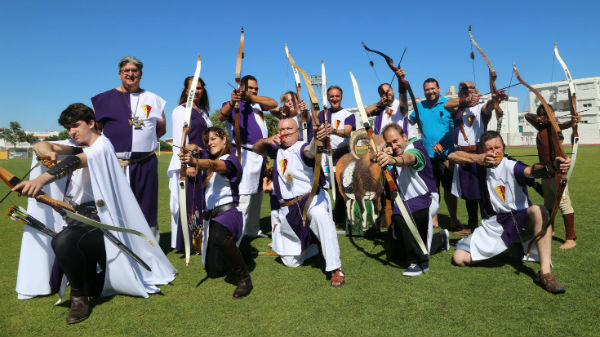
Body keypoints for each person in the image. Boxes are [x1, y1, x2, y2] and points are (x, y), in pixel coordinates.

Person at [12, 103, 176, 324]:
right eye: (68, 128)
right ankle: (91, 278)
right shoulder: (76, 144)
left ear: (91, 123)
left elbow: (76, 161)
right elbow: (43, 145)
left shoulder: (103, 146)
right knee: (69, 244)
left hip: (102, 225)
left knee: (62, 242)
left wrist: (40, 180)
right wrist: (45, 149)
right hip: (75, 218)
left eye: (75, 126)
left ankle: (80, 297)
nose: (72, 132)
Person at [449, 131, 569, 294]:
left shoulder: (511, 165)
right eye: (489, 149)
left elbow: (531, 171)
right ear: (482, 151)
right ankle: (511, 249)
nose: (494, 152)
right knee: (459, 258)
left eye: (497, 147)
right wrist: (478, 159)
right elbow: (453, 156)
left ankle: (545, 273)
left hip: (522, 220)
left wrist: (553, 166)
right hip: (494, 224)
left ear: (504, 148)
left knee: (539, 210)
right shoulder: (480, 164)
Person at [253, 118, 346, 287]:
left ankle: (335, 268)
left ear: (297, 131)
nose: (285, 132)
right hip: (289, 208)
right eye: (281, 129)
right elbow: (256, 148)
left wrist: (317, 138)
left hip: (311, 198)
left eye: (289, 128)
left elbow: (310, 151)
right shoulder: (276, 150)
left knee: (319, 216)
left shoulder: (301, 146)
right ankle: (315, 244)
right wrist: (266, 140)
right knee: (291, 262)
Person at [91, 56, 166, 238]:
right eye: (127, 71)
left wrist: (143, 142)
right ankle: (118, 244)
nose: (131, 74)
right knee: (115, 206)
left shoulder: (154, 99)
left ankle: (150, 249)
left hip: (145, 162)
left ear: (140, 74)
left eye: (135, 71)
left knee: (146, 205)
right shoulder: (103, 99)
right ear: (119, 75)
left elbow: (161, 128)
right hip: (116, 163)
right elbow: (96, 130)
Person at [179, 127, 252, 299]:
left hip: (229, 213)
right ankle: (241, 249)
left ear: (224, 139)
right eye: (207, 141)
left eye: (214, 139)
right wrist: (187, 147)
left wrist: (195, 162)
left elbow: (215, 165)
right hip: (211, 218)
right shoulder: (207, 157)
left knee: (220, 237)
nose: (210, 143)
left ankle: (244, 280)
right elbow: (191, 148)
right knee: (213, 271)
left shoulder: (231, 159)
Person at [375, 123, 449, 276]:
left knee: (401, 214)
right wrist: (387, 158)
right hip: (409, 203)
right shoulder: (395, 154)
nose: (393, 146)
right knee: (397, 253)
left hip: (425, 198)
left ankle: (420, 262)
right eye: (389, 144)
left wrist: (393, 160)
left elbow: (410, 158)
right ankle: (440, 239)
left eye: (396, 141)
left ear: (404, 137)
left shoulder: (415, 147)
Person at [218, 75, 278, 238]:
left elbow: (273, 103)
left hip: (260, 155)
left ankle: (252, 229)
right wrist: (233, 102)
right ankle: (238, 232)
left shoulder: (258, 103)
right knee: (244, 196)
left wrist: (251, 97)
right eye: (250, 88)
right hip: (244, 154)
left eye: (256, 88)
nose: (254, 90)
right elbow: (221, 116)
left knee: (257, 195)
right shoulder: (234, 104)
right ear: (242, 88)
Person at [445, 81, 508, 235]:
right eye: (464, 92)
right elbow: (446, 105)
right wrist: (464, 100)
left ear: (476, 93)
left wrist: (495, 99)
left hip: (478, 154)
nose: (468, 94)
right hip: (462, 156)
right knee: (469, 193)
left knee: (482, 192)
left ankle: (488, 226)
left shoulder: (481, 108)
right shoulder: (458, 109)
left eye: (471, 91)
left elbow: (488, 107)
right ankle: (472, 226)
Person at [525, 104, 580, 249]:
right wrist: (542, 119)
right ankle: (551, 229)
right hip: (546, 173)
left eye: (549, 113)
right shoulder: (541, 128)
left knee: (563, 203)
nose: (547, 116)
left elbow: (565, 124)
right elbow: (527, 116)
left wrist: (573, 123)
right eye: (543, 114)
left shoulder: (554, 127)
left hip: (557, 173)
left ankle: (571, 238)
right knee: (549, 204)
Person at [167, 76, 212, 252]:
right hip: (189, 164)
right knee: (188, 204)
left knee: (200, 202)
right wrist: (188, 165)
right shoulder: (181, 111)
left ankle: (200, 240)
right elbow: (180, 141)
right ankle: (187, 243)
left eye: (200, 88)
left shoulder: (203, 112)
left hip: (202, 163)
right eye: (193, 88)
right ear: (187, 91)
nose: (197, 91)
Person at [408, 77, 459, 230]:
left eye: (432, 89)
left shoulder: (448, 105)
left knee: (449, 190)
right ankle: (434, 219)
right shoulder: (419, 106)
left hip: (446, 156)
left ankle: (454, 220)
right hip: (427, 157)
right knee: (432, 190)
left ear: (438, 88)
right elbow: (408, 123)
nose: (430, 92)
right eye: (427, 90)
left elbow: (457, 127)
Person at [318, 85, 356, 225]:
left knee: (342, 188)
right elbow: (316, 129)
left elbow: (347, 131)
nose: (334, 99)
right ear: (328, 98)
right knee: (323, 186)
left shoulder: (348, 115)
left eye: (337, 96)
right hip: (325, 156)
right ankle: (325, 216)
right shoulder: (322, 114)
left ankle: (340, 218)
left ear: (341, 97)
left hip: (342, 155)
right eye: (332, 96)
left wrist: (332, 130)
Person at [365, 73, 416, 138]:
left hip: (402, 142)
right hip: (384, 144)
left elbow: (403, 95)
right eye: (383, 92)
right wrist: (378, 104)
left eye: (388, 90)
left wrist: (400, 80)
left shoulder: (400, 104)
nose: (386, 93)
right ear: (380, 96)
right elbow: (364, 113)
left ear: (393, 91)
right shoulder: (380, 108)